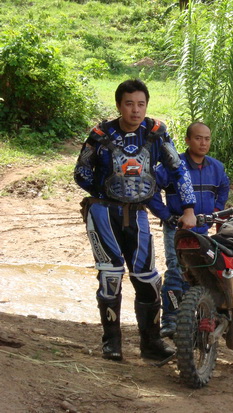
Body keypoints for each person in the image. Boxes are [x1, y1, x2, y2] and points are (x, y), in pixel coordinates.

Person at [74, 79, 197, 362]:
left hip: (139, 212)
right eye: (129, 104)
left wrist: (188, 207)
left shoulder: (156, 133)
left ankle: (151, 344)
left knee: (148, 278)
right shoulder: (100, 134)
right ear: (119, 105)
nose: (135, 110)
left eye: (141, 104)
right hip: (103, 212)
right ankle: (112, 342)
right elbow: (81, 172)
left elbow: (179, 170)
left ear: (147, 105)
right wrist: (103, 191)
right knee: (110, 275)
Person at [148, 122, 230, 338]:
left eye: (207, 139)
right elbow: (151, 190)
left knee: (198, 273)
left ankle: (191, 319)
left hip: (202, 230)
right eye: (198, 138)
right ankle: (170, 320)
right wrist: (167, 215)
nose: (203, 143)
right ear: (187, 140)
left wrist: (216, 211)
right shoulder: (173, 165)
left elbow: (224, 188)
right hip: (177, 230)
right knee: (176, 271)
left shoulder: (217, 168)